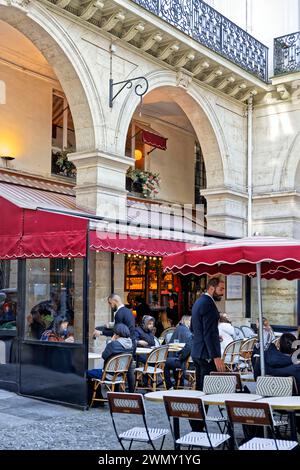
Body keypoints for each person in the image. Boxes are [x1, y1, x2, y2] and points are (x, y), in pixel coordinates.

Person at [93, 294, 136, 392]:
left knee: (117, 368)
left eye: (110, 303)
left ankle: (116, 392)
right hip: (131, 343)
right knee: (128, 369)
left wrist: (101, 332)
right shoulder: (128, 312)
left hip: (123, 344)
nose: (110, 305)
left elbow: (117, 331)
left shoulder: (119, 313)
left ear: (114, 300)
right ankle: (131, 393)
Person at [191, 277, 226, 392]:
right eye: (221, 289)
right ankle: (202, 410)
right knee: (206, 391)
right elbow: (209, 333)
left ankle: (200, 410)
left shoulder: (198, 301)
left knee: (200, 390)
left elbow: (194, 328)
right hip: (206, 354)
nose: (223, 293)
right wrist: (216, 356)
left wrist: (215, 336)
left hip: (197, 351)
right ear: (211, 288)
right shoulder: (208, 304)